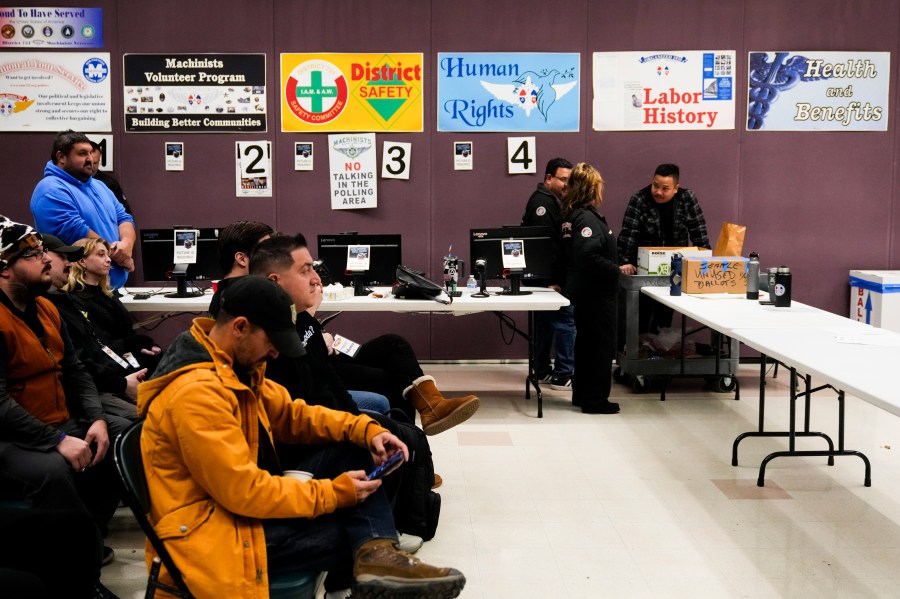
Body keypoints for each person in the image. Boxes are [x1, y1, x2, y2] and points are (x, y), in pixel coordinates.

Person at [137, 274, 465, 598]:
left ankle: (375, 562)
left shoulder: (229, 367)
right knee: (349, 532)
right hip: (206, 536)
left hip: (231, 512)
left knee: (353, 452)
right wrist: (336, 493)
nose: (276, 354)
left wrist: (365, 431)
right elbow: (246, 492)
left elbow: (295, 415)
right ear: (240, 327)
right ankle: (371, 563)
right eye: (272, 343)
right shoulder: (197, 395)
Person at [0, 215, 130, 598]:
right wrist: (57, 439)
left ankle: (87, 545)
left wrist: (98, 420)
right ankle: (83, 580)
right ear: (4, 268)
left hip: (58, 423)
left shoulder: (48, 309)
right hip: (13, 439)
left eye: (43, 250)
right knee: (57, 471)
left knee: (119, 445)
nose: (46, 259)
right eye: (32, 253)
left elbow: (75, 373)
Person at [42, 234, 144, 419]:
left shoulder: (64, 301)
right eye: (100, 254)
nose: (69, 263)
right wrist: (121, 384)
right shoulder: (65, 302)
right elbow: (80, 363)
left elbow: (96, 349)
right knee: (151, 418)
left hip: (109, 377)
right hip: (91, 390)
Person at [30, 130, 136, 290]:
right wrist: (120, 257)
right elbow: (77, 232)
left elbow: (124, 217)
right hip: (76, 291)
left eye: (90, 153)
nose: (90, 159)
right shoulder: (51, 189)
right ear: (61, 157)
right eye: (82, 153)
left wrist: (127, 245)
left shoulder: (99, 185)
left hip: (105, 290)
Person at [617, 163, 710, 333]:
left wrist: (705, 263)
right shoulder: (639, 199)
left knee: (665, 315)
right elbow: (628, 234)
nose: (658, 192)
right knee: (641, 316)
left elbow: (699, 232)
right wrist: (624, 261)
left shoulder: (687, 198)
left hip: (675, 270)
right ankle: (641, 351)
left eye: (665, 188)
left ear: (676, 188)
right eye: (655, 185)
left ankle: (657, 352)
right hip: (643, 270)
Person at [561, 164, 621, 414]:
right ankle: (595, 400)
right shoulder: (586, 218)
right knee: (600, 346)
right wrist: (617, 269)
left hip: (584, 292)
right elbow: (587, 255)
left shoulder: (572, 215)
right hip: (596, 294)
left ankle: (583, 395)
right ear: (591, 188)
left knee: (585, 345)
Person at [64, 237, 162, 375]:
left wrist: (141, 347)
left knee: (163, 357)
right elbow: (98, 344)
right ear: (81, 261)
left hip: (124, 356)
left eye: (107, 255)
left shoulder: (109, 294)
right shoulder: (74, 299)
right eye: (100, 254)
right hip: (106, 364)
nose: (109, 260)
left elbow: (124, 332)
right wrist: (131, 344)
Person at [521, 157, 576, 390]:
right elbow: (546, 247)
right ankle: (563, 374)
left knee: (544, 324)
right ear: (548, 178)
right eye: (563, 179)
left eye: (569, 181)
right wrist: (556, 281)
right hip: (549, 280)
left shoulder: (549, 201)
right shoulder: (543, 205)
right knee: (565, 322)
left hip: (542, 278)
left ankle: (542, 370)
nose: (567, 185)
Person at [207, 219, 274, 316]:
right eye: (265, 251)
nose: (273, 257)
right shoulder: (248, 301)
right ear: (242, 259)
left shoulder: (223, 296)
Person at [88, 140, 133, 216]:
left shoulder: (109, 184)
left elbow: (124, 213)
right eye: (89, 163)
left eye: (95, 163)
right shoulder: (70, 183)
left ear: (99, 161)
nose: (92, 167)